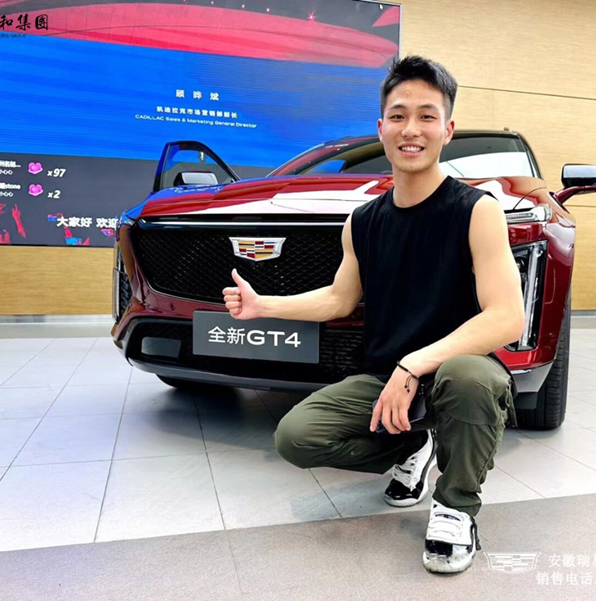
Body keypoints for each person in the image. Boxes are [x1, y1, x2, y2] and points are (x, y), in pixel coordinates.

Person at [222, 55, 525, 574]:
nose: (412, 129)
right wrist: (263, 305)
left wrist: (415, 364)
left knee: (469, 378)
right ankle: (413, 446)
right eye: (399, 115)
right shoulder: (363, 221)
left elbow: (506, 318)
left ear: (447, 130)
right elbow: (339, 300)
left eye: (427, 116)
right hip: (384, 376)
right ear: (381, 127)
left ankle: (455, 508)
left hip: (455, 370)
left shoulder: (477, 211)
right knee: (296, 438)